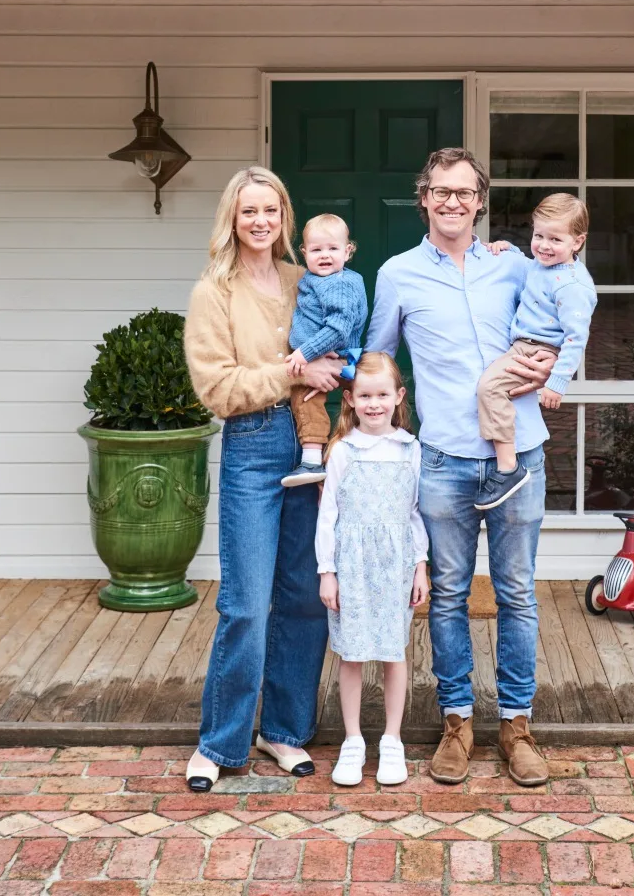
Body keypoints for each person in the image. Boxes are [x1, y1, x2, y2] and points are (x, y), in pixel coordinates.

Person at [367, 147, 555, 788]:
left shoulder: (517, 268)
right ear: (424, 197)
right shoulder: (396, 274)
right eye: (441, 192)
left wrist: (556, 369)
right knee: (447, 595)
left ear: (481, 201)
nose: (452, 202)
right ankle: (456, 724)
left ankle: (517, 727)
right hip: (442, 460)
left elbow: (561, 319)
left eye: (464, 193)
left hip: (519, 456)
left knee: (517, 595)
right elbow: (379, 364)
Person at [182, 165, 343, 791]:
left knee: (303, 598)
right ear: (232, 217)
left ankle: (283, 731)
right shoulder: (213, 292)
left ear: (284, 218)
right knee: (247, 603)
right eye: (249, 211)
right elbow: (217, 388)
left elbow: (347, 332)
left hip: (311, 443)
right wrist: (294, 374)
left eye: (270, 211)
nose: (260, 222)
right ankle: (220, 742)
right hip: (252, 444)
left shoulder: (306, 280)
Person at [315, 352, 430, 788]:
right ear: (350, 399)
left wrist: (420, 566)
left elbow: (416, 512)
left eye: (383, 394)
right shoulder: (343, 451)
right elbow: (328, 515)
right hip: (353, 564)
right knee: (352, 651)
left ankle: (392, 740)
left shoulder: (409, 448)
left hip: (395, 563)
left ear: (399, 396)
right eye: (365, 395)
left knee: (393, 650)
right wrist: (328, 571)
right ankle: (352, 741)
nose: (374, 403)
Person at [475, 193, 597, 512]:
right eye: (538, 235)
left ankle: (507, 467)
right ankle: (507, 462)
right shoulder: (546, 266)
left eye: (554, 238)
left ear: (577, 241)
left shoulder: (573, 287)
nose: (543, 245)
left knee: (489, 389)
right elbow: (532, 269)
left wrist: (557, 381)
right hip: (525, 344)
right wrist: (509, 248)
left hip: (535, 350)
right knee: (492, 388)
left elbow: (575, 338)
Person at [282, 213, 369, 488]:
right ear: (304, 253)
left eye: (333, 249)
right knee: (343, 400)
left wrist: (304, 354)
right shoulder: (318, 279)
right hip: (336, 355)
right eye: (317, 250)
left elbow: (338, 329)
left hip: (338, 356)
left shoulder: (338, 283)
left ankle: (311, 459)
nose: (325, 256)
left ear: (348, 251)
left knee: (305, 396)